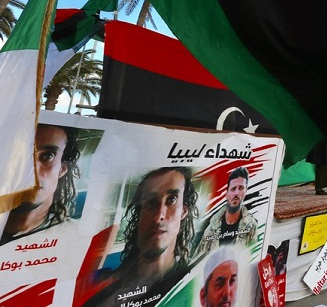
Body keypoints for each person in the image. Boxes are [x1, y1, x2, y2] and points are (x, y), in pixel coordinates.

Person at [84, 167, 199, 306]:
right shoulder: (103, 290)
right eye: (151, 203)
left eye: (172, 200)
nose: (158, 217)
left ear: (183, 212)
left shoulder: (194, 287)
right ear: (140, 215)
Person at [1, 124, 81, 245]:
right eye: (16, 155)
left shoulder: (75, 238)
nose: (32, 170)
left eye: (48, 155)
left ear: (62, 169)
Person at [195, 167, 259, 257]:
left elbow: (254, 256)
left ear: (246, 191)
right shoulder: (211, 229)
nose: (236, 193)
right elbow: (197, 260)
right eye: (233, 189)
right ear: (226, 194)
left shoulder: (251, 226)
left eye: (241, 188)